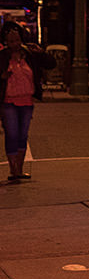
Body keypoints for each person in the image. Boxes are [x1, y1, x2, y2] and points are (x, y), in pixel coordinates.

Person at [0, 22, 55, 182]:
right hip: (8, 101)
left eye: (17, 40)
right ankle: (13, 170)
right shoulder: (2, 56)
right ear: (5, 41)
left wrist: (41, 53)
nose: (14, 44)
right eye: (11, 41)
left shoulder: (29, 54)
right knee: (12, 134)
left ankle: (20, 169)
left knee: (23, 135)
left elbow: (51, 64)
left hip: (27, 101)